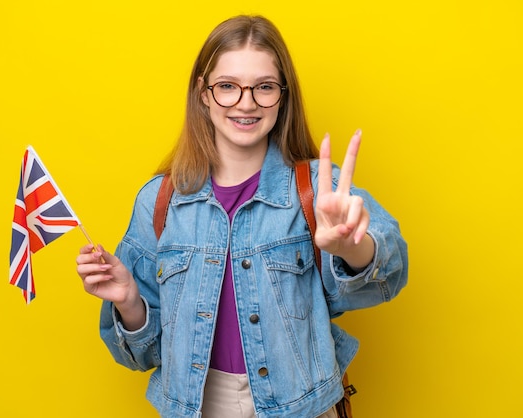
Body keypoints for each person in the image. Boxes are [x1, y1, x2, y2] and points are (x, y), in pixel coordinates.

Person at [76, 14, 408, 418]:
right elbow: (139, 356)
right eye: (228, 87)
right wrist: (130, 303)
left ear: (283, 95)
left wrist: (353, 249)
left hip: (301, 407)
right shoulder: (160, 200)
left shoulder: (317, 190)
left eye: (264, 87)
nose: (246, 103)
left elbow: (391, 272)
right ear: (203, 93)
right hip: (199, 406)